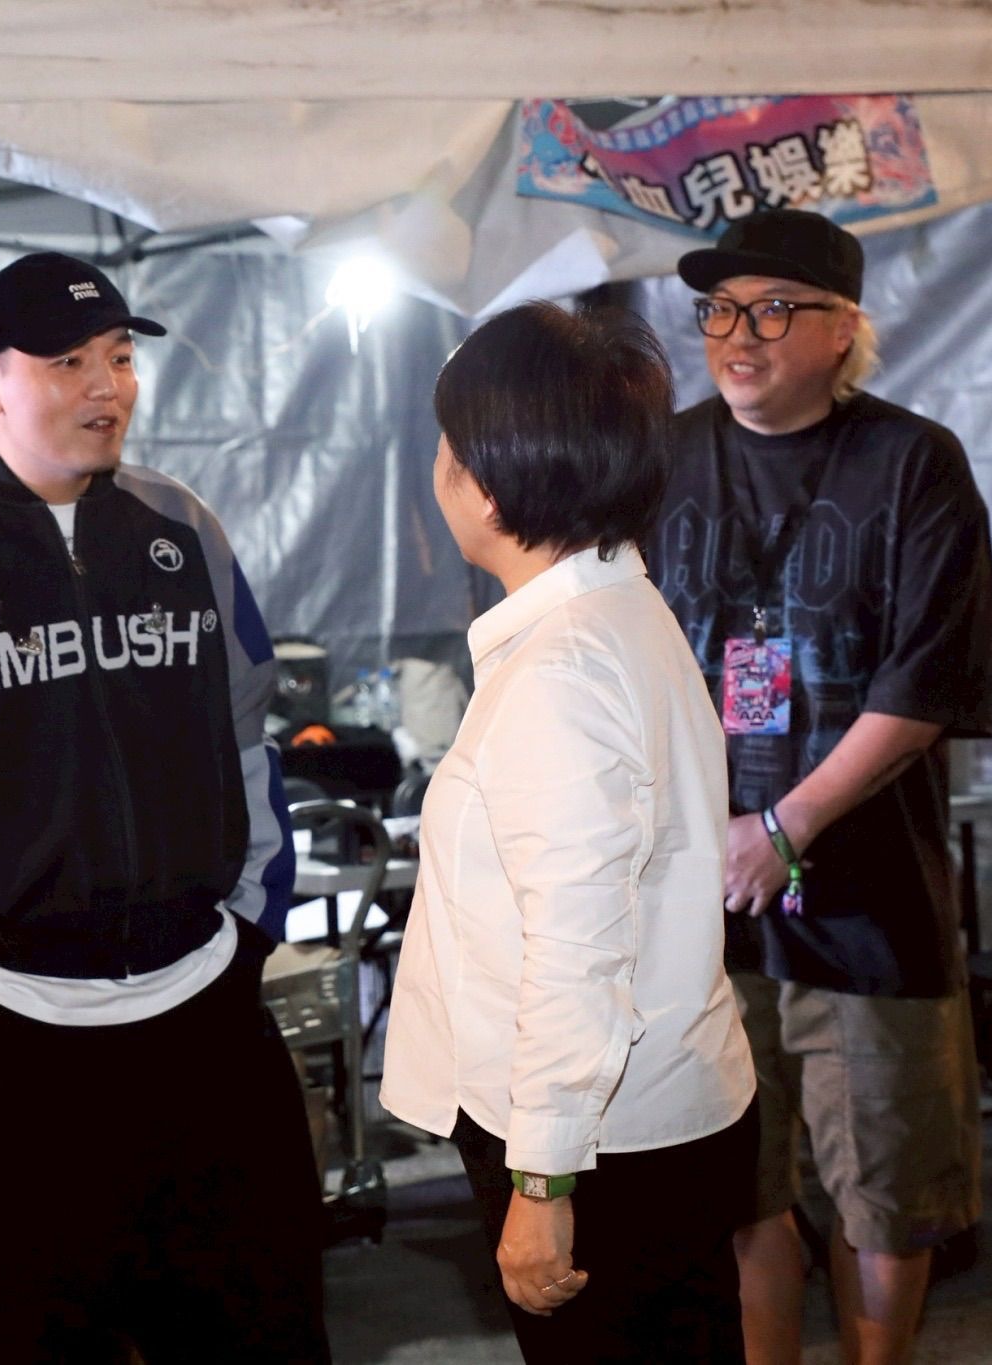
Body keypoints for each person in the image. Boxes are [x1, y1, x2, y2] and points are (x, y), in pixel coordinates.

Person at [0, 251, 329, 1362]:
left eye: (120, 358)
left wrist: (253, 919)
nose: (106, 387)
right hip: (18, 1027)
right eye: (68, 362)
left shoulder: (180, 525)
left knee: (260, 1330)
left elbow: (247, 723)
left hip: (205, 1005)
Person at [649, 209, 992, 1365]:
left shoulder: (912, 463)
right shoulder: (659, 461)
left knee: (885, 1197)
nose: (735, 336)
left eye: (769, 310)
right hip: (700, 908)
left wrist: (782, 825)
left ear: (842, 328)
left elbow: (925, 682)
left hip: (868, 908)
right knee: (738, 1188)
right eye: (717, 311)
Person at [382, 301, 758, 1363]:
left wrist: (541, 1182)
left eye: (448, 444)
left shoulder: (564, 668)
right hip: (645, 1114)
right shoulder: (611, 615)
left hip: (598, 1144)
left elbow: (576, 946)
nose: (439, 465)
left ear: (489, 487)